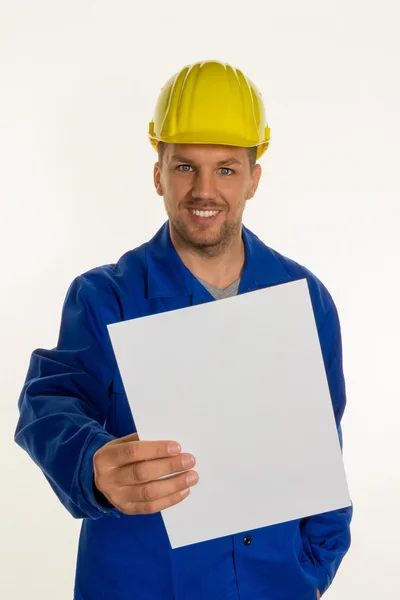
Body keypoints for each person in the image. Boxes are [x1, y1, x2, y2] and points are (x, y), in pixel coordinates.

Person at [15, 60, 352, 600]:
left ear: (253, 179)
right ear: (158, 174)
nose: (204, 190)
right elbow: (48, 402)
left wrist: (311, 571)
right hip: (138, 583)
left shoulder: (304, 300)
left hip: (273, 585)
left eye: (225, 169)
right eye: (184, 167)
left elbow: (325, 449)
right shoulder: (105, 297)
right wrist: (92, 463)